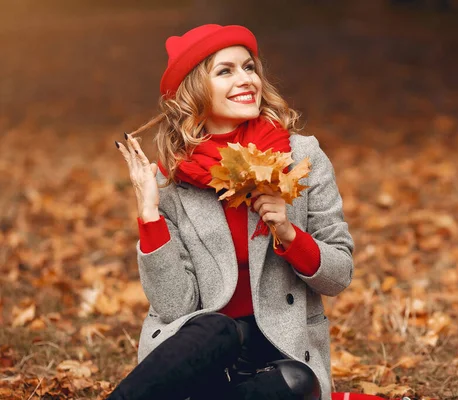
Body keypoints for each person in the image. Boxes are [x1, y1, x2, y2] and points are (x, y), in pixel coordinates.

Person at [110, 24, 354, 400]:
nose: (246, 80)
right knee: (217, 329)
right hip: (201, 356)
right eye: (225, 71)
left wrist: (289, 234)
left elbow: (338, 277)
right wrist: (149, 214)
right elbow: (175, 306)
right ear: (194, 92)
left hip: (280, 352)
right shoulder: (170, 181)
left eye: (249, 67)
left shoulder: (301, 156)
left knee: (298, 382)